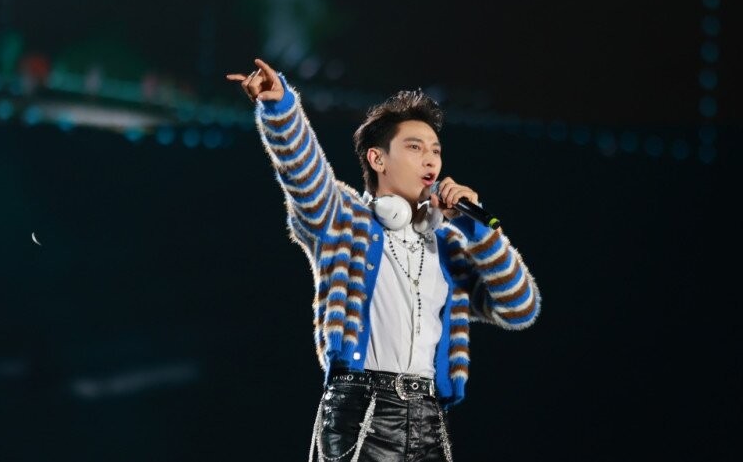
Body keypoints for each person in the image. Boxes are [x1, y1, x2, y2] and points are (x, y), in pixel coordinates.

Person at [227, 59, 541, 462]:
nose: (431, 160)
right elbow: (304, 174)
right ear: (378, 160)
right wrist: (280, 107)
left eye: (436, 150)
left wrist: (479, 232)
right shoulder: (343, 220)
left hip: (430, 418)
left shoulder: (449, 246)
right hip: (361, 413)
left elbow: (520, 307)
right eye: (415, 147)